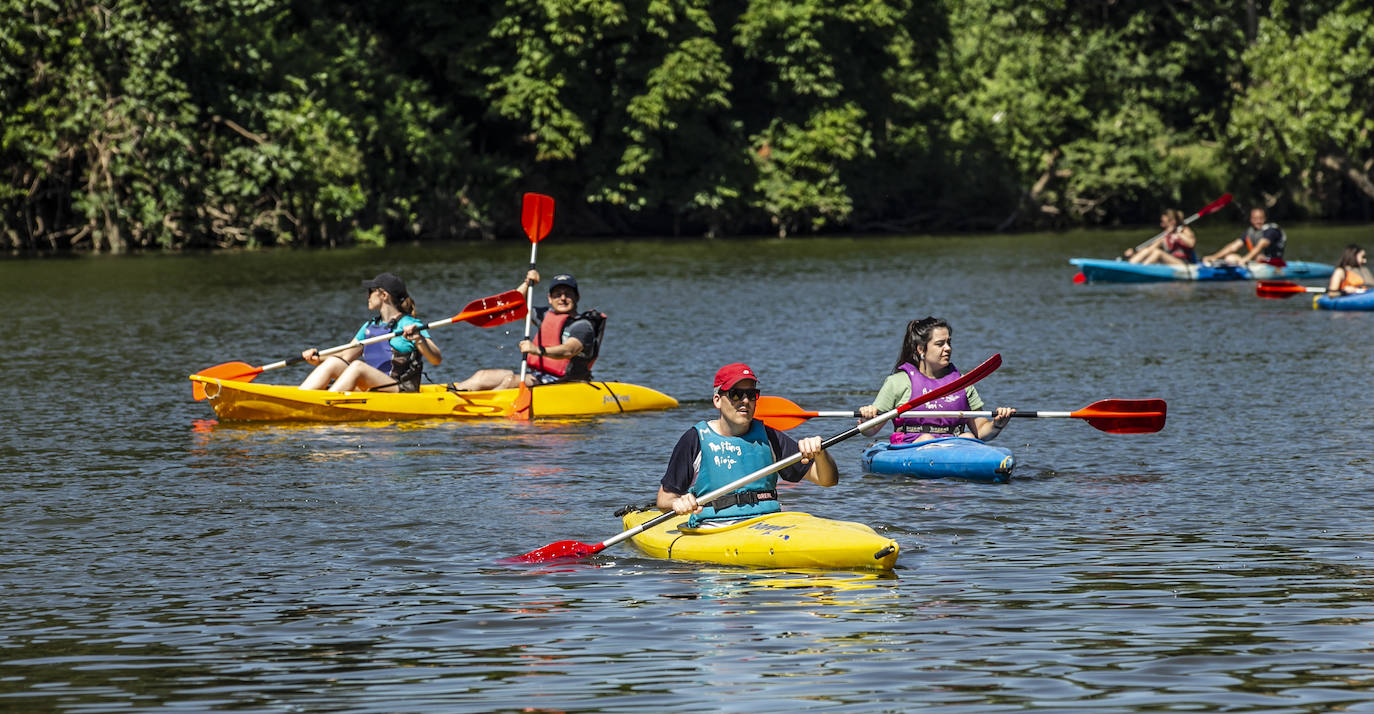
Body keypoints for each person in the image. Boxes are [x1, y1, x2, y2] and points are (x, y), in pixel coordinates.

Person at [657, 363, 839, 528]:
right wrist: (678, 502)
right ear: (717, 400)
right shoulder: (695, 439)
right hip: (715, 527)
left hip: (767, 523)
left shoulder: (769, 437)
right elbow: (664, 499)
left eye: (751, 395)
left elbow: (828, 480)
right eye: (736, 394)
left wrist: (821, 454)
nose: (745, 400)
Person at [858, 317, 1014, 443]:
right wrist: (867, 418)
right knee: (927, 438)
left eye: (949, 343)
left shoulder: (963, 383)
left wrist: (997, 424)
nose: (948, 348)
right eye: (940, 344)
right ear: (921, 349)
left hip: (955, 445)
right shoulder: (898, 382)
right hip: (912, 447)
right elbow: (870, 430)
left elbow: (980, 431)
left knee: (968, 437)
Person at [451, 271, 601, 391]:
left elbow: (569, 350)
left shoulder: (582, 326)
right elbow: (512, 307)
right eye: (557, 294)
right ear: (549, 298)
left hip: (565, 382)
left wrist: (537, 350)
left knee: (511, 381)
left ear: (577, 297)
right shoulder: (545, 316)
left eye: (568, 294)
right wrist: (527, 283)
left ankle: (480, 407)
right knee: (483, 375)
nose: (562, 298)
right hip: (538, 375)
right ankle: (451, 394)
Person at [298, 272, 442, 392]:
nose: (367, 296)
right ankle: (302, 397)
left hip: (400, 389)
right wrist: (318, 357)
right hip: (374, 388)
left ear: (384, 295)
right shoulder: (371, 325)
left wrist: (418, 339)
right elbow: (345, 355)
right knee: (334, 362)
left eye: (370, 292)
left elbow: (436, 359)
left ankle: (324, 405)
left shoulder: (410, 324)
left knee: (358, 367)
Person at [1204, 207, 1287, 265]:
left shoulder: (1271, 230)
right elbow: (1234, 246)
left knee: (1259, 257)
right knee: (1229, 258)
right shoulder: (1250, 232)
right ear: (1251, 220)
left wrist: (1245, 259)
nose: (1258, 221)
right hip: (1255, 261)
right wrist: (1214, 257)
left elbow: (1260, 246)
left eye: (1260, 218)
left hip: (1274, 262)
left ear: (1265, 219)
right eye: (1255, 218)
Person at [1126, 209, 1198, 266]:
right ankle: (1131, 265)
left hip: (1184, 263)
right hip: (1170, 261)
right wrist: (1134, 253)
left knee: (1158, 253)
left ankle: (1142, 269)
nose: (1161, 225)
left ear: (1172, 222)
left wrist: (1177, 233)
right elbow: (1150, 249)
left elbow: (1191, 244)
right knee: (1149, 251)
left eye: (1163, 222)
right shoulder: (1165, 236)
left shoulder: (1184, 230)